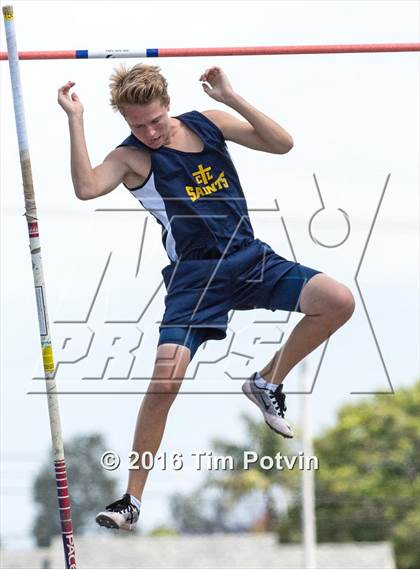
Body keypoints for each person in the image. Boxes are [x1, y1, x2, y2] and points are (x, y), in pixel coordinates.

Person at [58, 64, 355, 531]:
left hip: (249, 257)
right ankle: (132, 500)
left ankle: (266, 382)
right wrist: (76, 119)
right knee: (164, 385)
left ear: (168, 105)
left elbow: (282, 143)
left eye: (155, 121)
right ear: (126, 122)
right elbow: (86, 187)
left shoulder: (208, 122)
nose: (150, 132)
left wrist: (232, 96)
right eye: (138, 125)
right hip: (195, 278)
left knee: (337, 300)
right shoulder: (132, 157)